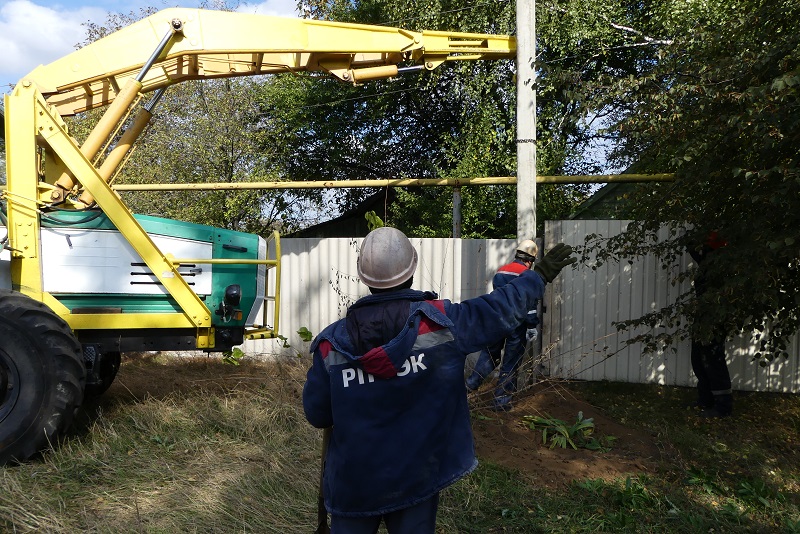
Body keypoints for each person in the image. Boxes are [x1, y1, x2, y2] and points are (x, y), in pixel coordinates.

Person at [303, 227, 575, 533]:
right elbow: (498, 309)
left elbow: (318, 414)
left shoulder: (331, 344)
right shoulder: (443, 323)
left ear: (364, 277)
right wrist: (539, 276)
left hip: (353, 486)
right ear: (412, 267)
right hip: (416, 481)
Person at [464, 239, 541, 411]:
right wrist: (531, 326)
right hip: (516, 324)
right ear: (530, 260)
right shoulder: (527, 275)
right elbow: (529, 304)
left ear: (517, 255)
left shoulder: (501, 272)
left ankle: (467, 388)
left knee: (490, 356)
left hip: (497, 322)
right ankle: (501, 402)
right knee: (510, 362)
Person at [688, 231, 733, 418]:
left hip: (715, 319)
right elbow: (691, 244)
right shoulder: (707, 262)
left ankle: (722, 408)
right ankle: (705, 400)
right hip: (702, 318)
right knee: (699, 360)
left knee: (714, 361)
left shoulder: (723, 266)